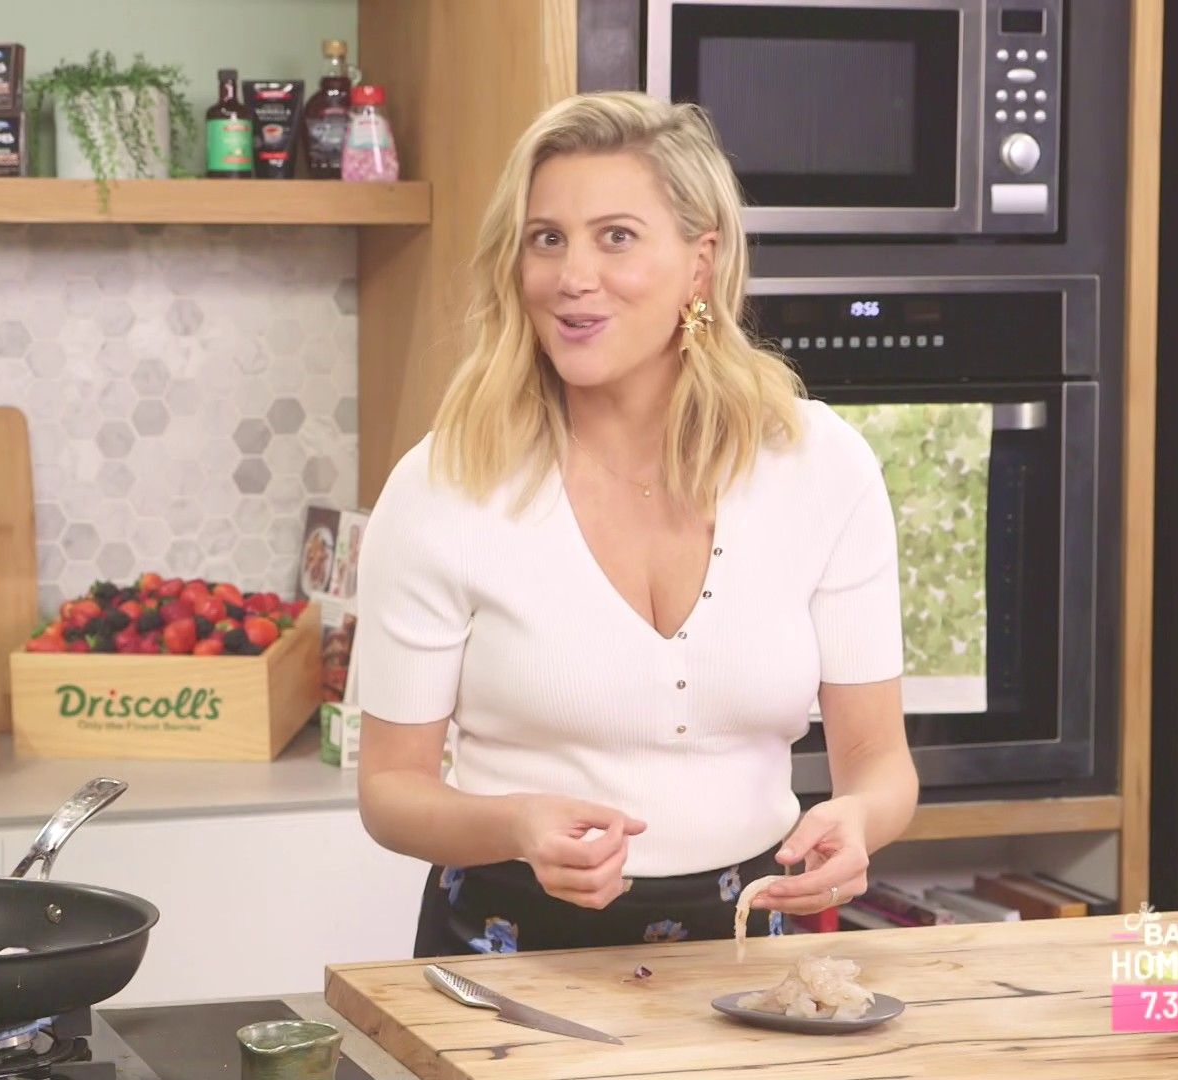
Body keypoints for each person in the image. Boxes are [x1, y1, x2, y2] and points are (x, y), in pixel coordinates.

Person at [354, 91, 917, 957]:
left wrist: (860, 820)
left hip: (748, 955)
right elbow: (391, 789)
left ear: (700, 264)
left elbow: (879, 761)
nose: (572, 275)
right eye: (547, 239)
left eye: (615, 236)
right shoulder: (444, 485)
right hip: (503, 962)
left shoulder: (820, 466)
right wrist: (515, 824)